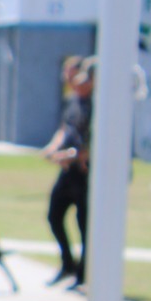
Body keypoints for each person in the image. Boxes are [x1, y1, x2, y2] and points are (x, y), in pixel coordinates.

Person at [43, 57, 94, 288]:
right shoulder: (73, 101)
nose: (73, 81)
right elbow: (66, 128)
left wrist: (71, 155)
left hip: (87, 172)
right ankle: (68, 264)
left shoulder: (98, 106)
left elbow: (95, 143)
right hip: (69, 170)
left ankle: (83, 274)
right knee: (54, 215)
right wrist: (54, 149)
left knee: (86, 225)